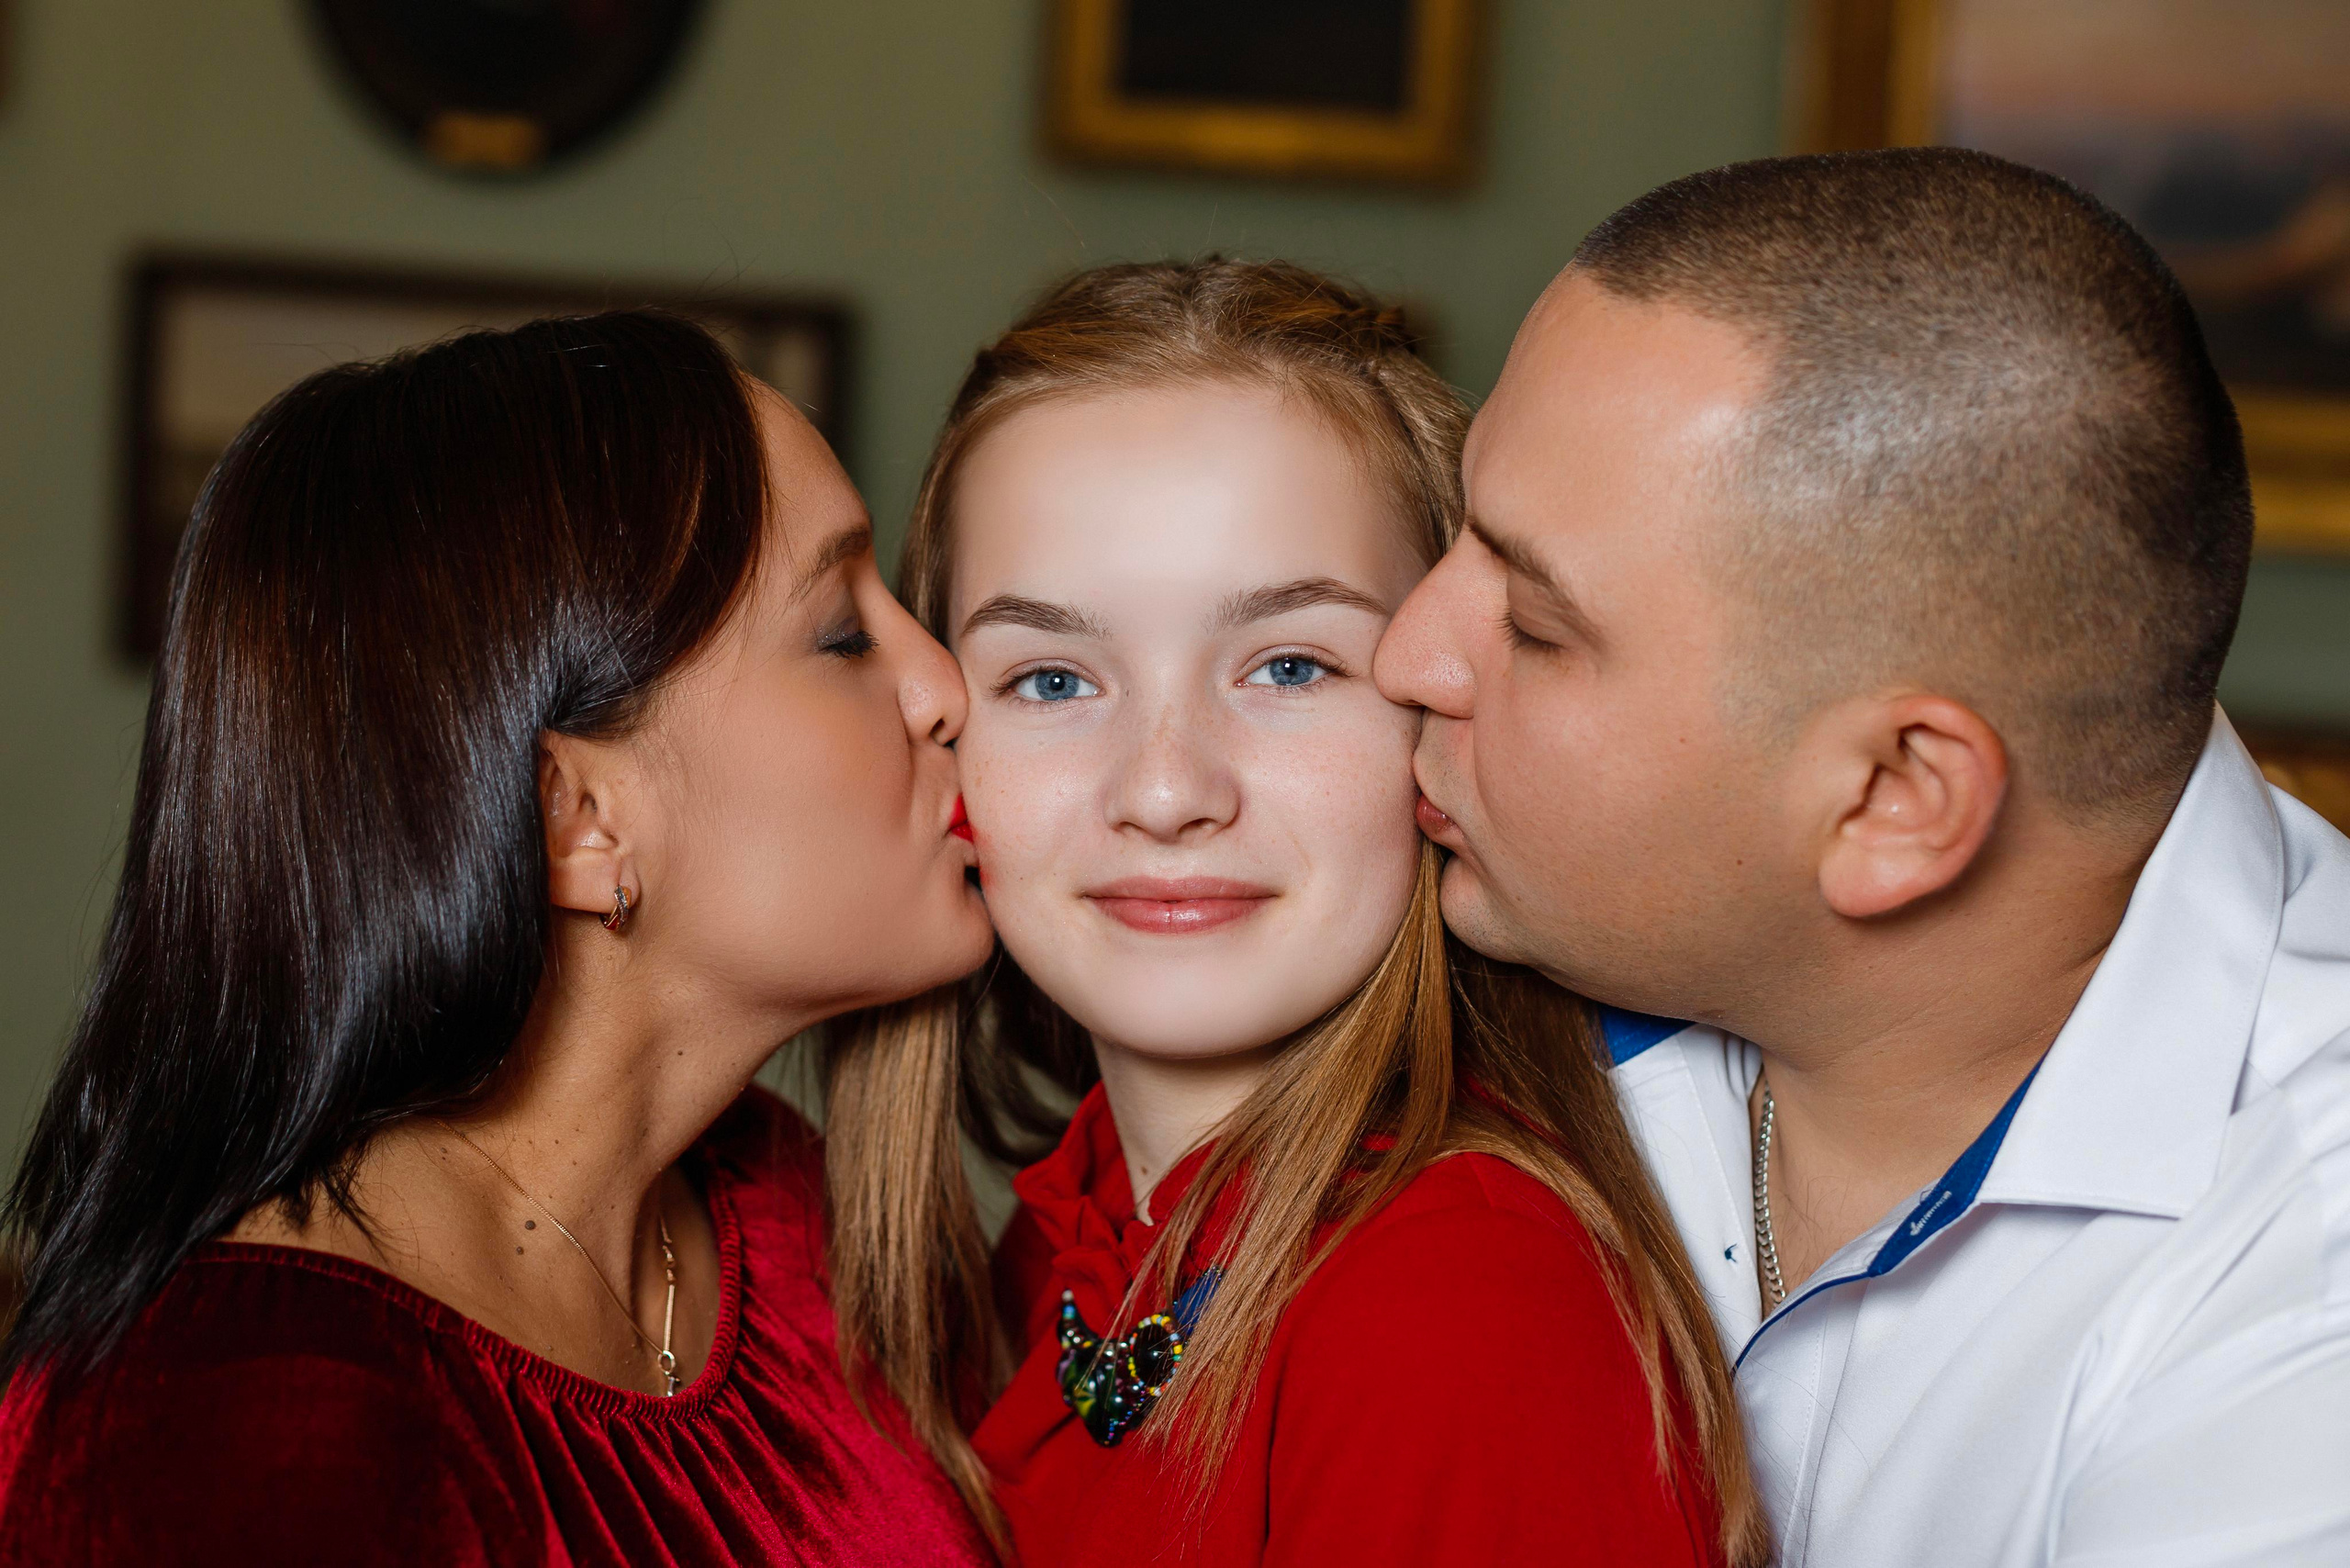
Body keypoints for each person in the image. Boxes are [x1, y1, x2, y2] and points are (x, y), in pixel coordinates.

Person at [1374, 147, 2350, 1567]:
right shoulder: (1447, 909)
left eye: (1534, 626)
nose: (1406, 653)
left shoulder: (2308, 1272)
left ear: (1895, 800)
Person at [0, 311, 1002, 1564]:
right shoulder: (232, 1427)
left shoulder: (789, 1209)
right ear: (579, 820)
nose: (946, 685)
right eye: (842, 634)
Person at [853, 257, 1765, 1566]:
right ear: (943, 729)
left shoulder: (1457, 1307)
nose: (1166, 790)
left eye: (1289, 664)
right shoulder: (1082, 1229)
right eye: (1051, 678)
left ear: (1444, 709)